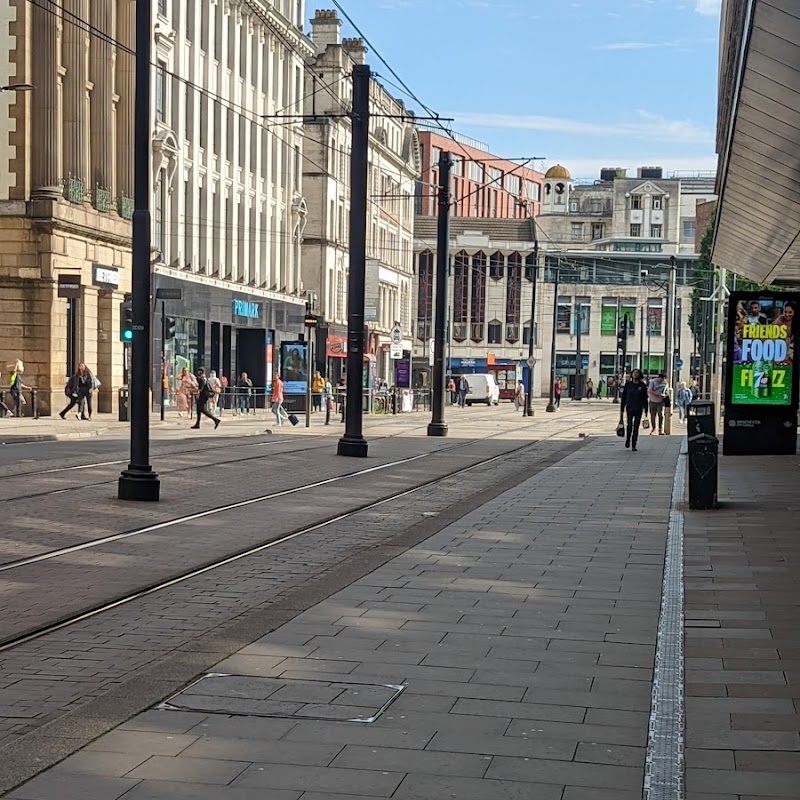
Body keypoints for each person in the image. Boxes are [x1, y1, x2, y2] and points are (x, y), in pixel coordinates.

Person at [620, 369, 648, 451]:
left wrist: (646, 410)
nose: (635, 374)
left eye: (637, 373)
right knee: (629, 425)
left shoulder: (642, 386)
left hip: (639, 408)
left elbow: (644, 398)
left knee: (636, 426)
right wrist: (622, 409)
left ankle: (634, 444)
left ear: (639, 375)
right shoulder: (628, 385)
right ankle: (628, 439)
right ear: (631, 375)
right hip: (629, 407)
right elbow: (624, 397)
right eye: (634, 373)